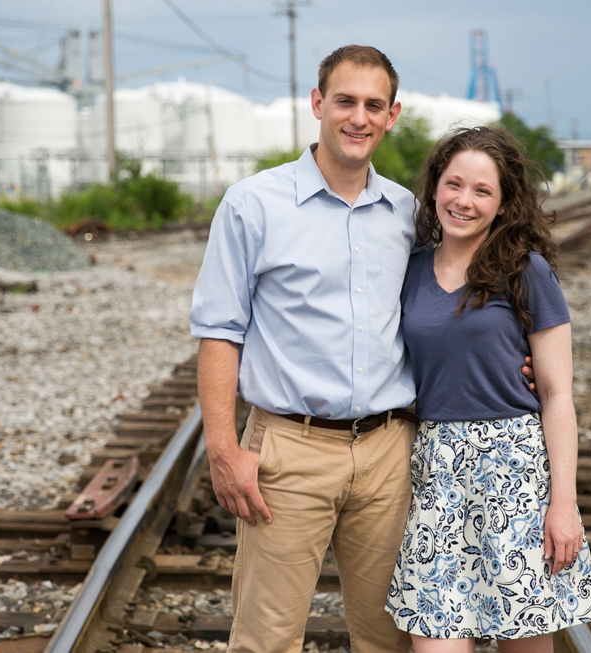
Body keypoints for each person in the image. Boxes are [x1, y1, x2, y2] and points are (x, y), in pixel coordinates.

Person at [191, 45, 535, 653]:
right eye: (345, 101)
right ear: (318, 103)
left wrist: (516, 364)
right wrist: (222, 448)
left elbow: (450, 301)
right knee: (266, 639)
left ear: (393, 114)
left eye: (374, 105)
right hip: (288, 454)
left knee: (394, 639)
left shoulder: (407, 211)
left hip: (389, 454)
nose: (359, 117)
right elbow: (219, 330)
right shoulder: (253, 205)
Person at [385, 127, 591, 652]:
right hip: (437, 470)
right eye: (453, 184)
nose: (464, 200)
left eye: (482, 191)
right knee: (435, 640)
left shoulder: (527, 272)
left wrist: (564, 506)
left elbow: (556, 395)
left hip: (515, 472)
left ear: (505, 205)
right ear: (435, 188)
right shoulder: (410, 269)